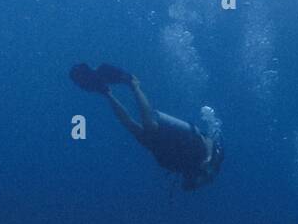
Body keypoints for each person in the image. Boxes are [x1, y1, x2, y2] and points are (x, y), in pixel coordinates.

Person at [70, 62, 223, 190]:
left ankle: (105, 92)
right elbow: (210, 141)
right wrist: (208, 159)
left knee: (132, 128)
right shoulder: (213, 162)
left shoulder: (191, 171)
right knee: (150, 125)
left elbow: (186, 184)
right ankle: (133, 84)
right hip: (190, 137)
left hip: (169, 149)